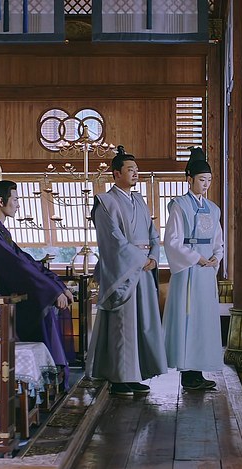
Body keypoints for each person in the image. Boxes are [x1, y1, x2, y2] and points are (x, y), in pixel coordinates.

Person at [0, 180, 71, 374]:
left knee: (45, 301)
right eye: (15, 199)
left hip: (2, 292)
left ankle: (50, 369)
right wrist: (52, 291)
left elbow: (26, 260)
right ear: (1, 202)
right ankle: (46, 371)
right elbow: (17, 267)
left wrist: (57, 285)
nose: (18, 205)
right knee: (41, 305)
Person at [87, 146, 167, 396]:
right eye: (130, 169)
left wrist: (153, 256)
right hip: (124, 271)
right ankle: (120, 378)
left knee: (143, 323)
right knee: (124, 324)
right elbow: (113, 240)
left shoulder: (139, 200)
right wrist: (139, 259)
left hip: (143, 268)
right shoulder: (105, 202)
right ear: (116, 174)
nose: (135, 173)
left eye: (136, 169)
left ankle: (135, 374)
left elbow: (153, 234)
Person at [162, 147, 224, 390]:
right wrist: (197, 258)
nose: (206, 184)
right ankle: (187, 373)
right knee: (188, 318)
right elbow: (172, 241)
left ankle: (199, 370)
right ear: (189, 179)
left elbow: (218, 240)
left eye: (209, 180)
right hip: (188, 270)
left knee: (203, 320)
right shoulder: (179, 206)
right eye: (201, 180)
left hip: (206, 273)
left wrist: (216, 257)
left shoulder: (214, 209)